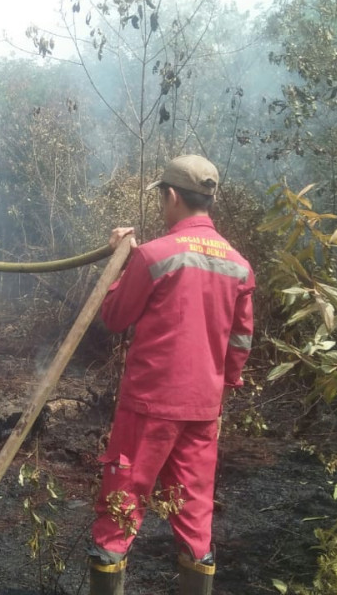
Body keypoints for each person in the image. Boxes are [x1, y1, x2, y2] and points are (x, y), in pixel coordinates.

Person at [88, 155, 255, 595]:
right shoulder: (239, 264)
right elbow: (240, 341)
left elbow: (116, 316)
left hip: (150, 405)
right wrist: (223, 386)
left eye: (163, 197)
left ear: (173, 195)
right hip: (204, 408)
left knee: (121, 507)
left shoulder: (154, 254)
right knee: (196, 513)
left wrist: (117, 263)